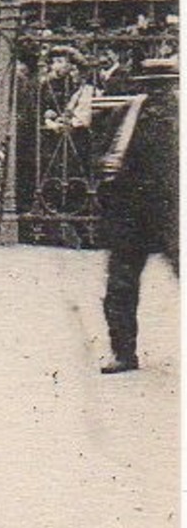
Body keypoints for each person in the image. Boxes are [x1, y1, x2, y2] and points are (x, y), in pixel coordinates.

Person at [97, 57, 179, 373]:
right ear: (143, 87)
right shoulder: (127, 114)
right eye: (152, 88)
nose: (159, 96)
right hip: (132, 213)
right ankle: (123, 352)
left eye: (165, 88)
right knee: (120, 285)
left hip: (173, 211)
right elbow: (105, 151)